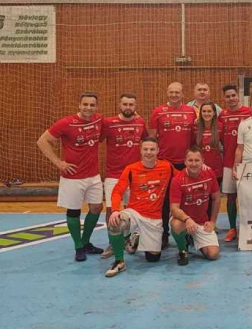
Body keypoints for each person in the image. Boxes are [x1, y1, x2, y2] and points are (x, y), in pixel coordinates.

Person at [37, 91, 104, 262]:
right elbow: (42, 141)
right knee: (74, 211)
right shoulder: (66, 123)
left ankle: (86, 242)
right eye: (85, 104)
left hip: (94, 175)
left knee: (97, 208)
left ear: (96, 107)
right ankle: (78, 246)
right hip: (73, 177)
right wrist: (58, 162)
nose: (88, 108)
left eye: (92, 105)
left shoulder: (98, 120)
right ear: (79, 105)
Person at [104, 138, 175, 277]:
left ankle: (135, 237)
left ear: (158, 151)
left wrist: (201, 169)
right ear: (141, 151)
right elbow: (117, 191)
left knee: (153, 258)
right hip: (134, 212)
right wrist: (115, 210)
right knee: (116, 223)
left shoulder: (167, 167)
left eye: (152, 149)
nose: (149, 152)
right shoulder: (131, 169)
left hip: (154, 217)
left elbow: (182, 178)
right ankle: (119, 261)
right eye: (145, 149)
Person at [149, 82, 197, 248]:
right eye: (172, 92)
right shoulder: (158, 112)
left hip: (186, 164)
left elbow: (194, 137)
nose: (174, 95)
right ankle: (163, 235)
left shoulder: (191, 111)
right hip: (165, 164)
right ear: (167, 93)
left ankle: (188, 233)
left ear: (183, 94)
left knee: (187, 200)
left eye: (177, 92)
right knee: (163, 202)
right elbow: (152, 139)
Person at [99, 93, 147, 258]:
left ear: (135, 106)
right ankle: (113, 243)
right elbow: (95, 140)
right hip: (114, 174)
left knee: (132, 209)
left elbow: (148, 142)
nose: (128, 107)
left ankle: (128, 239)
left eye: (131, 104)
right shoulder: (108, 123)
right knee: (111, 209)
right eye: (125, 104)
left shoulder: (140, 122)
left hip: (135, 175)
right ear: (119, 105)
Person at [169, 147, 221, 265]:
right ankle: (183, 250)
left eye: (197, 160)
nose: (193, 164)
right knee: (176, 225)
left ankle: (191, 238)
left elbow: (216, 198)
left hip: (202, 222)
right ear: (185, 161)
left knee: (213, 254)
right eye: (190, 160)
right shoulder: (177, 180)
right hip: (185, 221)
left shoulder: (209, 173)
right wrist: (187, 219)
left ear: (203, 161)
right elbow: (174, 208)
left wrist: (213, 222)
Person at [217, 85, 252, 242]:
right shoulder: (222, 116)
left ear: (238, 96)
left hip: (248, 162)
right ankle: (232, 228)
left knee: (248, 197)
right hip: (228, 162)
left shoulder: (248, 112)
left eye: (233, 95)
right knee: (231, 197)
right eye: (228, 96)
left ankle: (248, 227)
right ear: (224, 99)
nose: (231, 98)